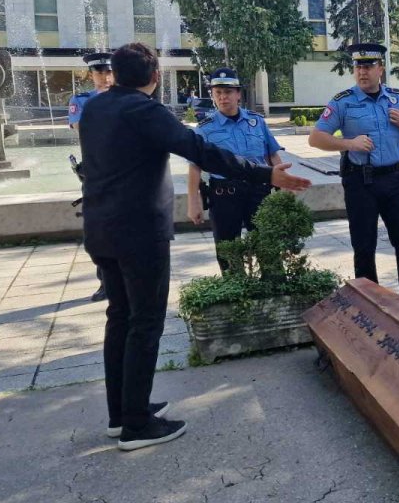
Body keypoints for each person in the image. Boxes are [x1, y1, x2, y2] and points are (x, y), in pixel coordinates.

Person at [80, 43, 311, 450]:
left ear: (114, 73)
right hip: (138, 233)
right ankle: (136, 426)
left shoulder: (95, 108)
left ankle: (122, 412)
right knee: (145, 321)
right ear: (153, 77)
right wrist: (265, 175)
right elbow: (200, 151)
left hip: (101, 229)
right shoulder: (145, 110)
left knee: (120, 316)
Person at [310, 43, 399, 302]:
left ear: (380, 69)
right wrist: (348, 143)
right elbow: (316, 138)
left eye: (369, 66)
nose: (363, 72)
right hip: (361, 182)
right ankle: (370, 306)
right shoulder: (343, 102)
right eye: (358, 67)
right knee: (364, 247)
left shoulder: (397, 98)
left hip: (395, 181)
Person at [187, 68, 284, 273]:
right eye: (218, 93)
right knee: (228, 252)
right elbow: (195, 166)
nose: (223, 97)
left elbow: (273, 155)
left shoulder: (256, 122)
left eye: (228, 92)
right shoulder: (205, 128)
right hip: (224, 195)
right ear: (212, 95)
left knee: (268, 247)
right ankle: (237, 298)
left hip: (259, 192)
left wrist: (286, 184)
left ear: (238, 94)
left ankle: (274, 290)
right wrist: (193, 201)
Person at [68, 51, 115, 303]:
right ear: (91, 74)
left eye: (109, 71)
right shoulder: (82, 100)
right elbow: (82, 129)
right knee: (98, 232)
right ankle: (105, 282)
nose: (105, 77)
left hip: (123, 174)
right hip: (97, 174)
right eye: (99, 72)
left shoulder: (127, 98)